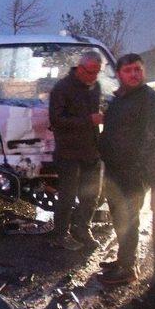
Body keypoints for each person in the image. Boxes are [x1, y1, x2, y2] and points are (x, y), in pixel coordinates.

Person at [98, 53, 155, 285]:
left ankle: (127, 269)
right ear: (119, 74)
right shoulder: (121, 98)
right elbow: (112, 130)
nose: (134, 74)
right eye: (129, 70)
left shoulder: (149, 99)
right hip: (114, 169)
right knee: (118, 216)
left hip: (134, 172)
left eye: (138, 70)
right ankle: (123, 258)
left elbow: (153, 137)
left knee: (129, 218)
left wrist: (138, 168)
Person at [48, 51, 104, 251]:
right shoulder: (62, 89)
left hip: (91, 151)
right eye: (91, 72)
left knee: (91, 195)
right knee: (67, 196)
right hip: (68, 153)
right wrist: (88, 120)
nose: (94, 77)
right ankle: (60, 234)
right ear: (80, 68)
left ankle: (82, 229)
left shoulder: (95, 87)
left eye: (97, 72)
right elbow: (56, 120)